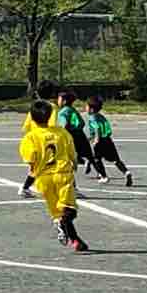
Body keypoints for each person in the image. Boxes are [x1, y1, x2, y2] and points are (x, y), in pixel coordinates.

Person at [19, 100, 88, 251]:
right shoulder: (61, 132)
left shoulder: (30, 137)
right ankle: (64, 225)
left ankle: (75, 240)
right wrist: (74, 162)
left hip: (43, 179)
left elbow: (30, 159)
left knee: (57, 213)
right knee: (69, 210)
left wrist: (35, 167)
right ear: (51, 115)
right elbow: (72, 152)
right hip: (62, 175)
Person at [19, 79, 59, 198]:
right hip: (45, 142)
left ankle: (26, 188)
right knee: (59, 163)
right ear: (52, 93)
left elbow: (26, 127)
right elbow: (52, 125)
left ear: (37, 92)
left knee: (37, 168)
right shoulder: (52, 107)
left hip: (32, 141)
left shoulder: (34, 107)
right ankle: (70, 187)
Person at [87, 95, 134, 187]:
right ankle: (126, 172)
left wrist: (96, 139)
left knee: (97, 159)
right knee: (116, 160)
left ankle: (104, 176)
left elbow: (97, 129)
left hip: (100, 141)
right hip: (108, 140)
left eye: (87, 106)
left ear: (91, 109)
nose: (85, 108)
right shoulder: (101, 116)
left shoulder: (92, 117)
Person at [56, 90, 97, 178]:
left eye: (59, 99)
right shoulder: (73, 109)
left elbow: (64, 125)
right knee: (89, 154)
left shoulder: (62, 112)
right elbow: (82, 122)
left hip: (71, 135)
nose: (57, 101)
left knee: (72, 154)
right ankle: (101, 173)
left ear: (64, 101)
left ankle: (75, 169)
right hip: (80, 134)